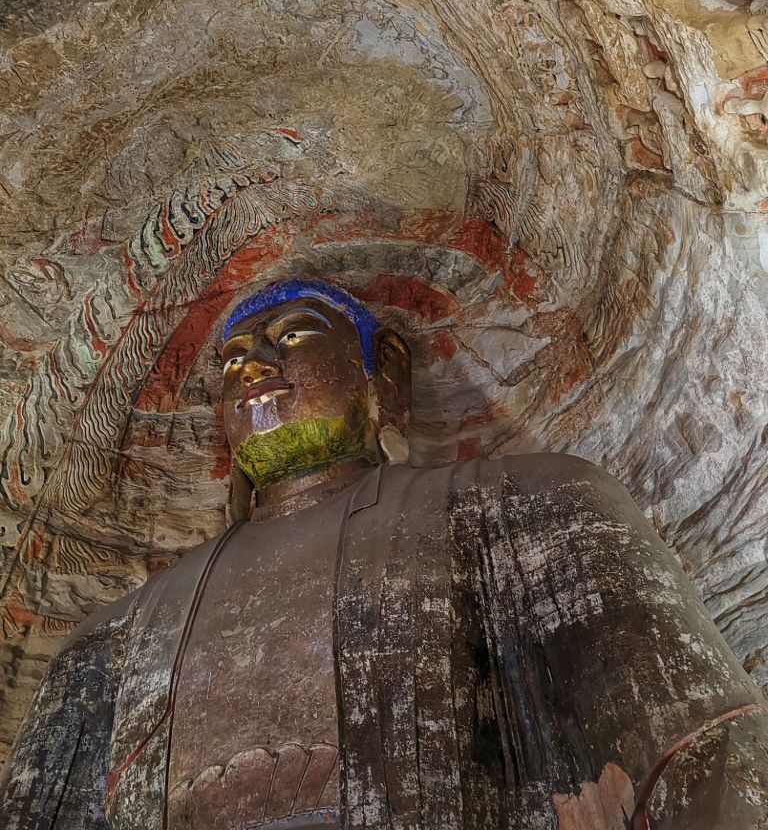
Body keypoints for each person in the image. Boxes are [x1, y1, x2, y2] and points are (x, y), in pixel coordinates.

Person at [1, 277, 767, 830]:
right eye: (231, 361)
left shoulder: (529, 502)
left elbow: (706, 747)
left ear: (385, 377)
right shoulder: (112, 638)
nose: (253, 366)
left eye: (292, 337)